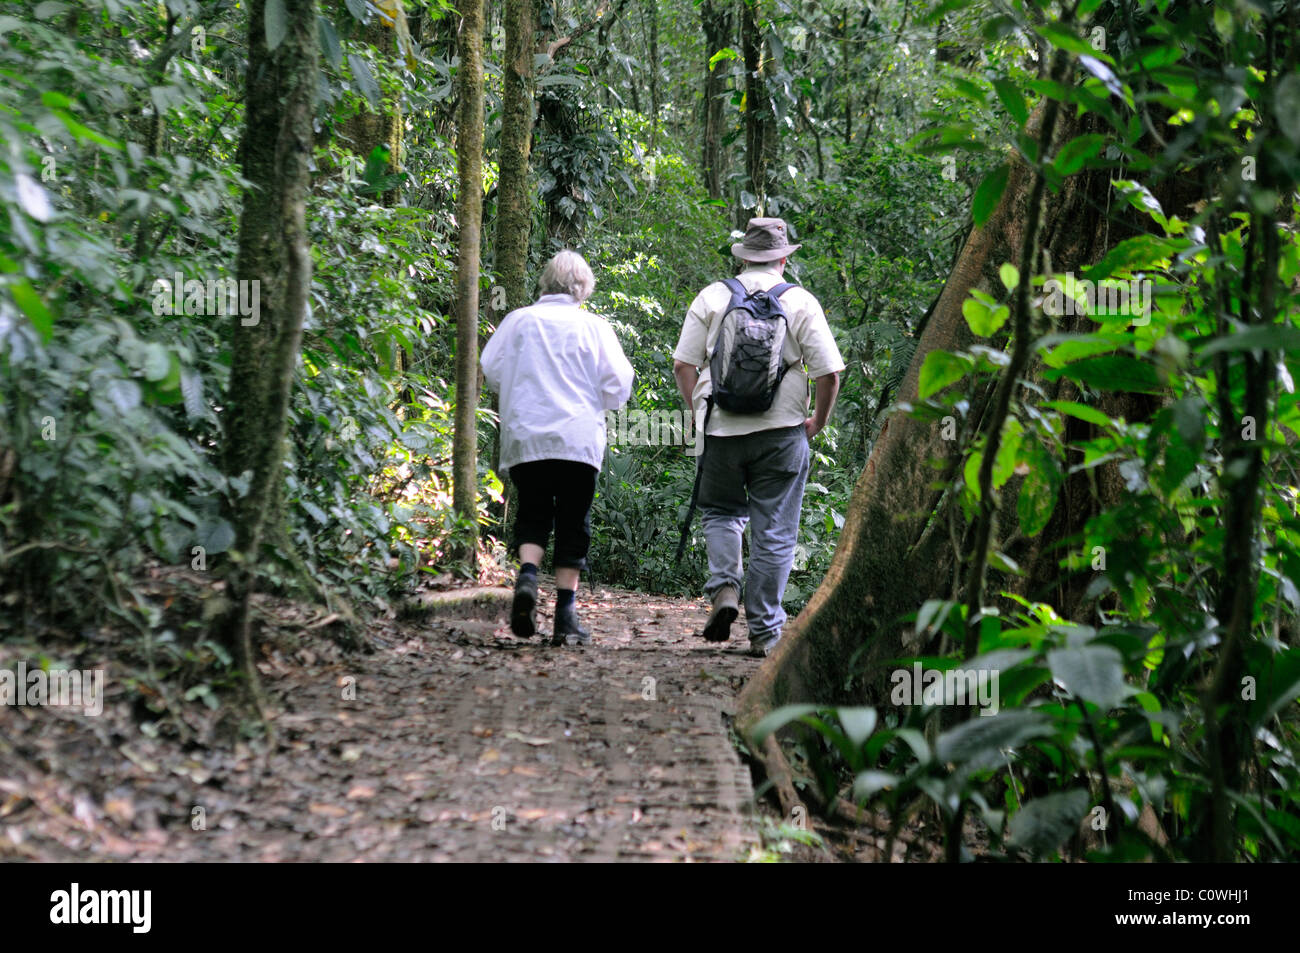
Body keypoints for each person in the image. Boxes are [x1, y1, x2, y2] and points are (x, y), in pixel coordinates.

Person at [672, 218, 844, 657]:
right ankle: (766, 632)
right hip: (782, 432)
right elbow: (829, 373)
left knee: (719, 512)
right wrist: (817, 422)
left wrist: (697, 414)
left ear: (744, 256)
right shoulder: (800, 300)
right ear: (784, 258)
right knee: (774, 531)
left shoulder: (713, 295)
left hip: (719, 431)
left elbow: (683, 365)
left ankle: (726, 589)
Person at [481, 250, 634, 646]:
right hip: (577, 440)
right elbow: (618, 385)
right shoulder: (595, 327)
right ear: (583, 288)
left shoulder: (517, 322)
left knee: (532, 512)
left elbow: (492, 369)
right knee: (572, 522)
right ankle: (565, 618)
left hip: (527, 435)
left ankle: (528, 580)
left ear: (545, 282)